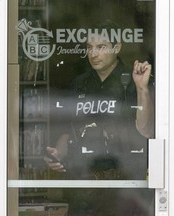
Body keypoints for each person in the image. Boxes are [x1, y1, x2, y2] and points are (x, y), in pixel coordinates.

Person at [44, 20, 155, 180]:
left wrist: (142, 89)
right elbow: (68, 130)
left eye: (101, 47)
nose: (93, 54)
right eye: (89, 48)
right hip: (84, 175)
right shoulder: (79, 84)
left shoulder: (135, 80)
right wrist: (59, 153)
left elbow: (147, 131)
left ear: (116, 48)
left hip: (126, 176)